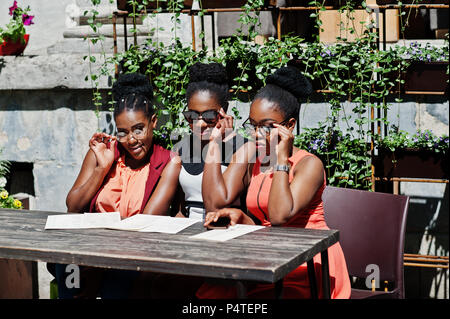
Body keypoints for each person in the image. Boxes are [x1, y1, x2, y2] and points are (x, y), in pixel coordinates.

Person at [199, 66, 351, 299]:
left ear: (289, 126)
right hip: (269, 257)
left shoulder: (308, 165)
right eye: (253, 125)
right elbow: (214, 203)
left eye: (267, 127)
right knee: (211, 292)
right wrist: (214, 145)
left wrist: (281, 159)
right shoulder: (254, 157)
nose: (258, 134)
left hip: (307, 264)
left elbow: (280, 217)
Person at [51, 72, 181, 299]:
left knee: (117, 287)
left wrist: (102, 264)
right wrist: (102, 168)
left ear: (153, 122)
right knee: (69, 271)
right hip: (88, 251)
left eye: (138, 129)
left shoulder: (167, 162)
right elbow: (73, 206)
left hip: (133, 256)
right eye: (122, 132)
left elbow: (145, 222)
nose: (131, 140)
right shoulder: (104, 154)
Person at [171, 62, 248, 220]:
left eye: (209, 116)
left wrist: (215, 144)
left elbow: (215, 206)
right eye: (191, 116)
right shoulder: (182, 148)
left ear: (223, 111)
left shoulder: (242, 148)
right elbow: (181, 208)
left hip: (225, 229)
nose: (200, 124)